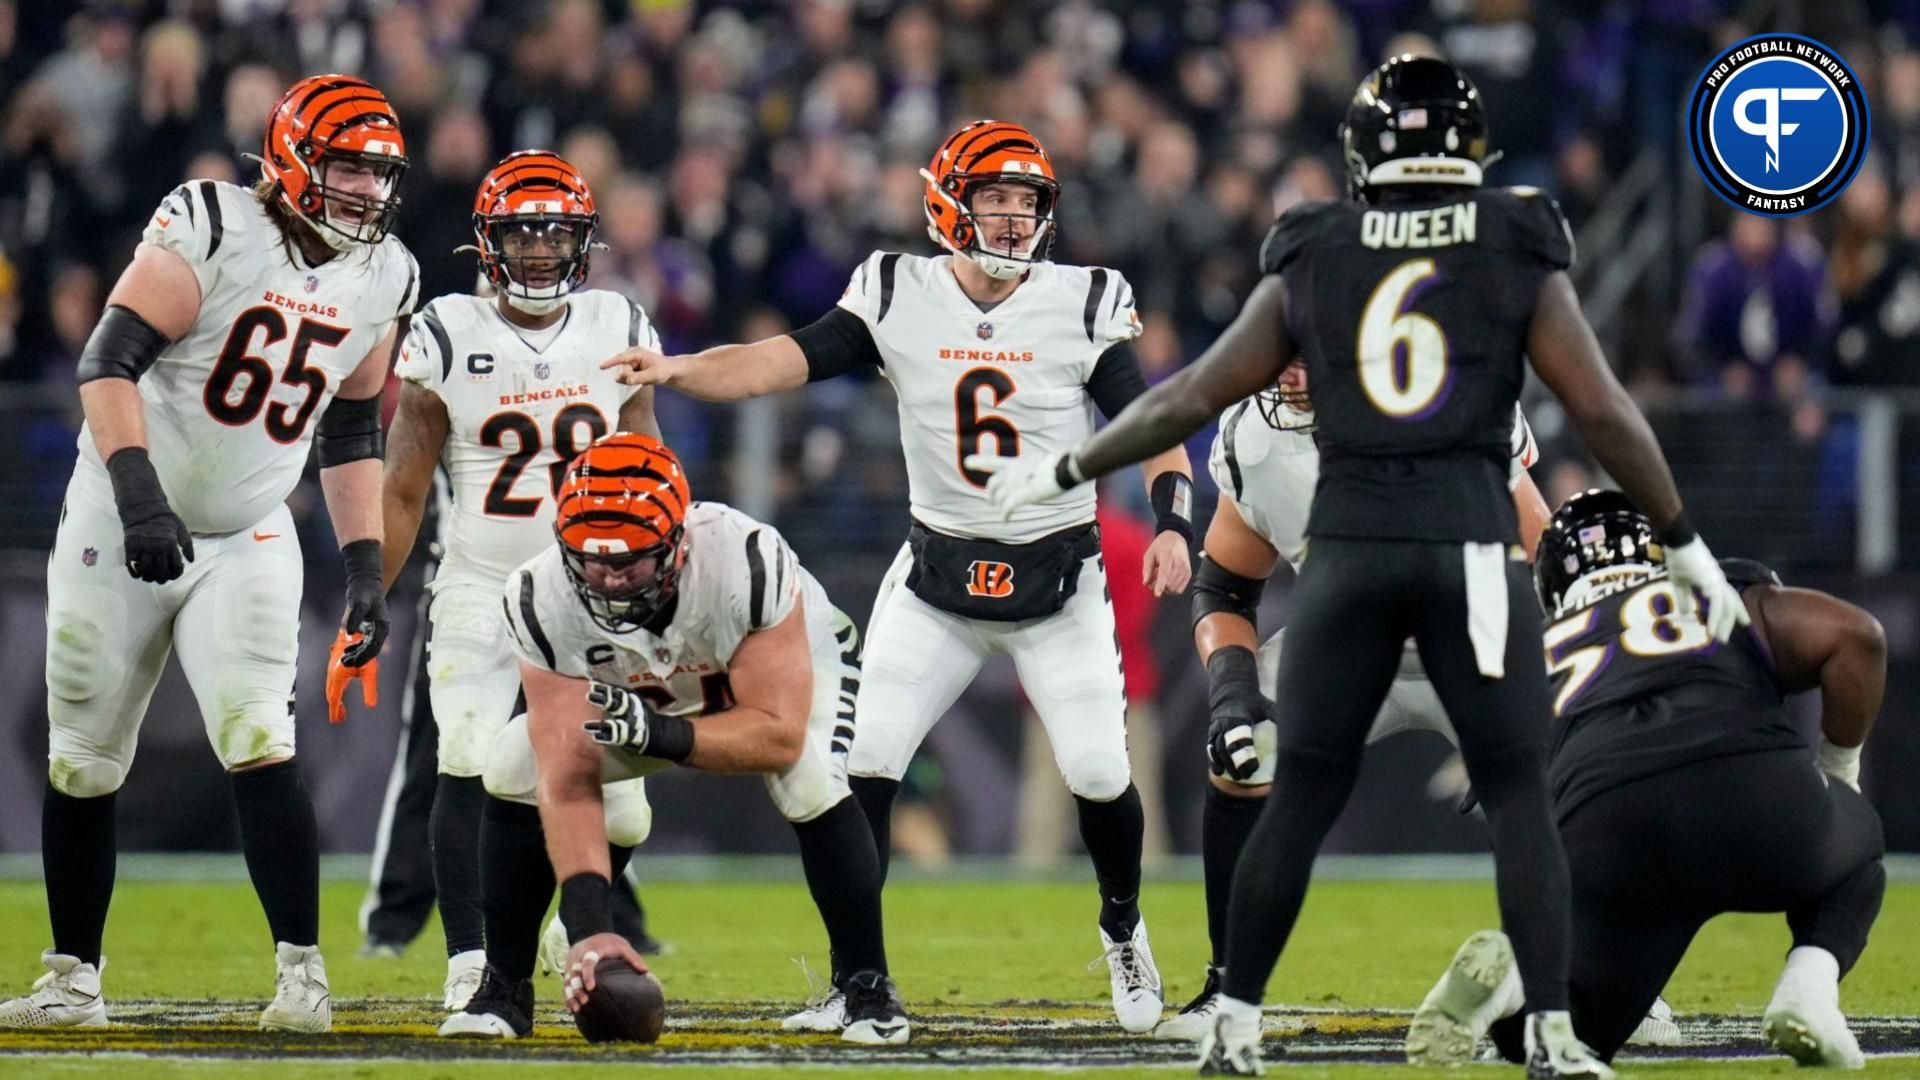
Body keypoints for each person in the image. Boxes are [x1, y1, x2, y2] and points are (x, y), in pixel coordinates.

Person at [967, 56, 1749, 1078]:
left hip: (1355, 566)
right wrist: (1680, 544)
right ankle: (1558, 1030)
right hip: (1465, 563)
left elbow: (1191, 391)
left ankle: (1237, 1027)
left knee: (1321, 797)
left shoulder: (1319, 250)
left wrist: (1074, 461)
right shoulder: (1507, 244)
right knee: (1515, 794)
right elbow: (1598, 412)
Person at [601, 120, 1194, 1033]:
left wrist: (1171, 519)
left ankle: (1122, 928)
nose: (1010, 219)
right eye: (993, 200)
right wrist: (677, 367)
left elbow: (1155, 420)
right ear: (949, 205)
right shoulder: (894, 292)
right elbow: (774, 363)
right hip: (936, 580)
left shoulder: (1081, 301)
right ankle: (860, 984)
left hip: (1056, 583)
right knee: (859, 765)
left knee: (1097, 773)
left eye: (1024, 203)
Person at [2, 74, 419, 1033]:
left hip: (249, 530)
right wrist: (141, 497)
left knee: (260, 737)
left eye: (377, 173)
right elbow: (107, 361)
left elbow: (353, 431)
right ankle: (73, 979)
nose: (363, 190)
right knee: (83, 757)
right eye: (346, 166)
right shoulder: (210, 223)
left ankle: (303, 978)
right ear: (292, 159)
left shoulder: (384, 272)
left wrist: (363, 570)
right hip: (121, 511)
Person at [325, 150, 661, 1014]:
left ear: (584, 241)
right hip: (480, 582)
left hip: (596, 594)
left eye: (557, 232)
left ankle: (564, 922)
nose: (542, 250)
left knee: (625, 812)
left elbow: (652, 466)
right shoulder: (447, 329)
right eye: (524, 231)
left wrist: (664, 600)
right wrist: (369, 597)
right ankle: (471, 960)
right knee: (468, 756)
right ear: (489, 241)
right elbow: (401, 486)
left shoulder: (617, 323)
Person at [445, 433, 909, 1045]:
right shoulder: (538, 597)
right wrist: (590, 926)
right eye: (591, 559)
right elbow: (565, 769)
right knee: (513, 762)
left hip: (778, 681)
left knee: (808, 777)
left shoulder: (744, 561)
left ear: (678, 543)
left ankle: (867, 988)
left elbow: (777, 735)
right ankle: (503, 990)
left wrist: (661, 734)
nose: (609, 579)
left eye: (629, 560)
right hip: (650, 696)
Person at [1407, 490, 1886, 1070]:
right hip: (1750, 794)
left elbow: (1509, 805)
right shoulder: (1716, 590)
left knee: (1567, 1027)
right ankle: (1809, 990)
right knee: (1857, 843)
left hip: (1602, 832)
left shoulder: (1525, 655)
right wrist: (1838, 772)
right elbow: (1857, 637)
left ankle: (1513, 984)